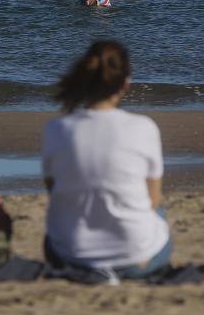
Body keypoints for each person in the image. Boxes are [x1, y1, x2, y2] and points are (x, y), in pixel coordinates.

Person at [41, 41, 171, 278]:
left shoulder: (56, 129)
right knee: (159, 210)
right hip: (135, 258)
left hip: (72, 254)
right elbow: (153, 199)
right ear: (125, 83)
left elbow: (54, 192)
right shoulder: (144, 128)